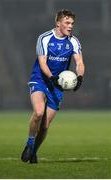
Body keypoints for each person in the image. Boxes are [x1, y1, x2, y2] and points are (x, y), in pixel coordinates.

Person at [21, 9, 85, 163]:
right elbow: (42, 63)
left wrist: (80, 77)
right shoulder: (44, 38)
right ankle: (29, 143)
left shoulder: (73, 41)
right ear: (58, 23)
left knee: (44, 126)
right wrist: (52, 77)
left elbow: (80, 62)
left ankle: (34, 152)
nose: (70, 26)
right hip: (41, 79)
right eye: (67, 23)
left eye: (72, 23)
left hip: (57, 86)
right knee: (38, 112)